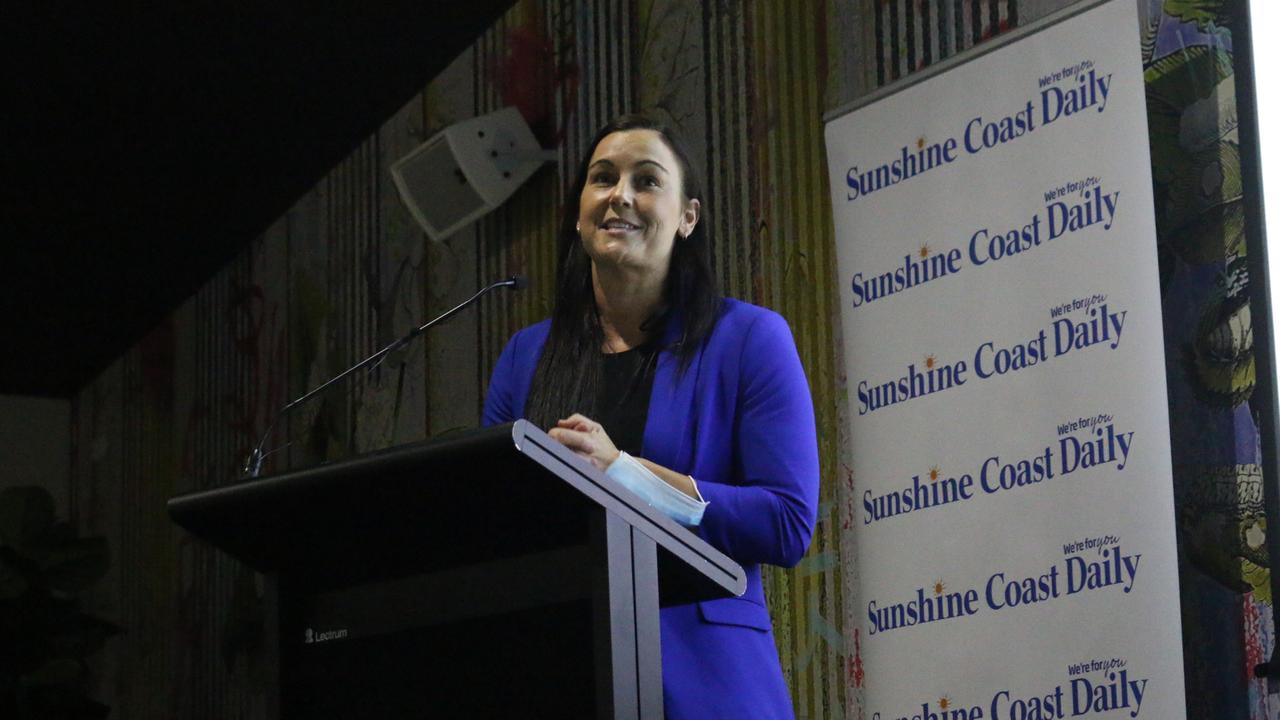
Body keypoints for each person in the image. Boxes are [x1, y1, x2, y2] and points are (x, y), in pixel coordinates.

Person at [482, 113, 819, 719]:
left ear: (687, 217)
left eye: (647, 180)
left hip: (708, 682)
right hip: (559, 675)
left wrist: (624, 474)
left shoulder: (749, 339)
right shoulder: (523, 359)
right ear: (581, 210)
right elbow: (491, 530)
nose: (620, 195)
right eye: (602, 178)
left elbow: (787, 522)